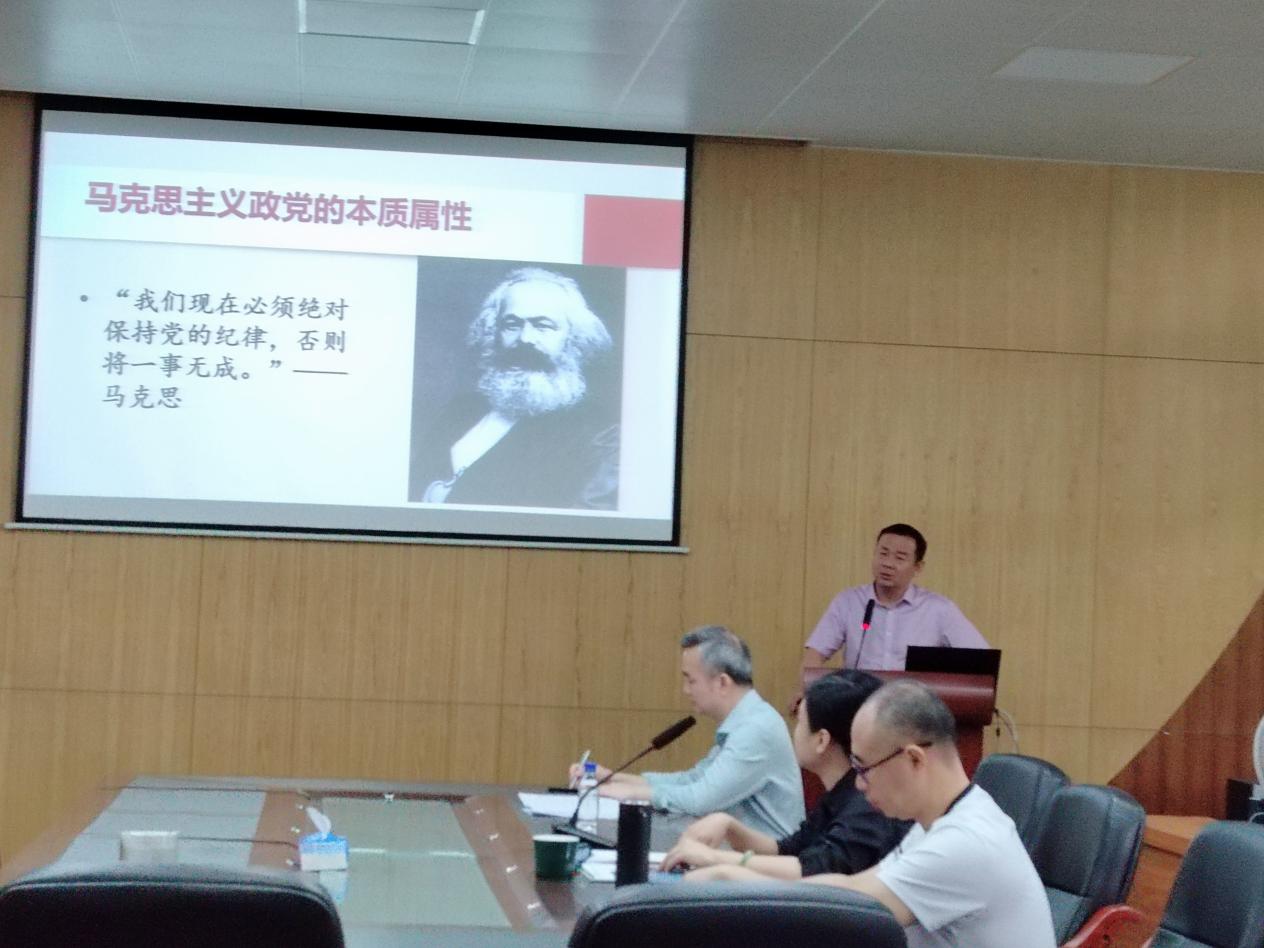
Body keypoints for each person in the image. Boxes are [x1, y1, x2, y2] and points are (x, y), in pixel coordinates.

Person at [800, 679, 1056, 948]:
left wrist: (770, 892)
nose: (859, 784)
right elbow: (856, 885)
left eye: (863, 769)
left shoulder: (965, 842)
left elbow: (848, 907)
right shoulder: (944, 819)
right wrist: (770, 888)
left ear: (914, 759)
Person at [660, 669, 908, 879]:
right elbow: (788, 850)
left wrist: (717, 860)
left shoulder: (868, 801)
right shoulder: (841, 792)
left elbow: (815, 871)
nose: (794, 732)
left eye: (800, 722)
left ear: (821, 740)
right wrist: (729, 826)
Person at [409, 266, 619, 509]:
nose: (525, 338)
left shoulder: (599, 434)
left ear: (573, 338)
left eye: (543, 325)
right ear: (493, 333)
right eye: (511, 324)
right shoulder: (462, 410)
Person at [569, 626, 804, 839]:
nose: (685, 690)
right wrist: (612, 777)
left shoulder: (756, 729)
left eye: (691, 681)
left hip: (766, 864)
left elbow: (700, 799)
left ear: (722, 682)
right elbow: (692, 780)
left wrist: (632, 793)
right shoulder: (746, 720)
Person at [801, 523, 987, 676]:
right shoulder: (848, 601)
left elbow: (981, 660)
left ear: (917, 567)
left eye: (900, 558)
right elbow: (815, 652)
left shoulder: (938, 609)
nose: (888, 563)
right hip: (860, 701)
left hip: (914, 704)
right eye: (883, 553)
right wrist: (805, 689)